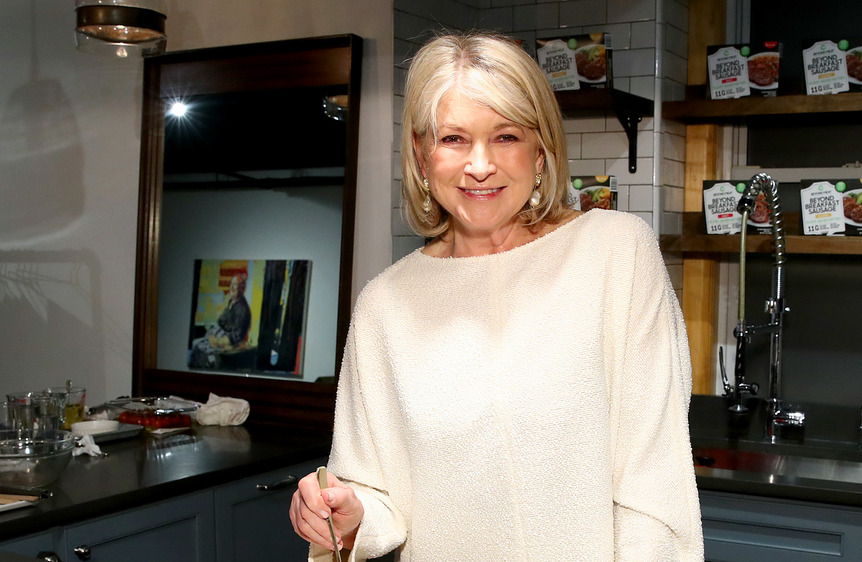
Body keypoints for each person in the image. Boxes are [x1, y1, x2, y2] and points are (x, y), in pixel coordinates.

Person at [289, 31, 704, 561]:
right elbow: (377, 492)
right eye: (453, 139)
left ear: (541, 151)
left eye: (505, 136)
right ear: (420, 155)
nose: (479, 165)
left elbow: (653, 484)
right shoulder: (385, 305)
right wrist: (345, 519)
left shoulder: (616, 255)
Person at [188, 273, 251, 368]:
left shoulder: (242, 309)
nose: (232, 287)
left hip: (223, 343)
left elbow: (236, 336)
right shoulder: (232, 301)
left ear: (243, 289)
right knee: (194, 345)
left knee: (201, 352)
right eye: (232, 284)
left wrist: (217, 341)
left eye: (236, 285)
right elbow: (221, 321)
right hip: (214, 337)